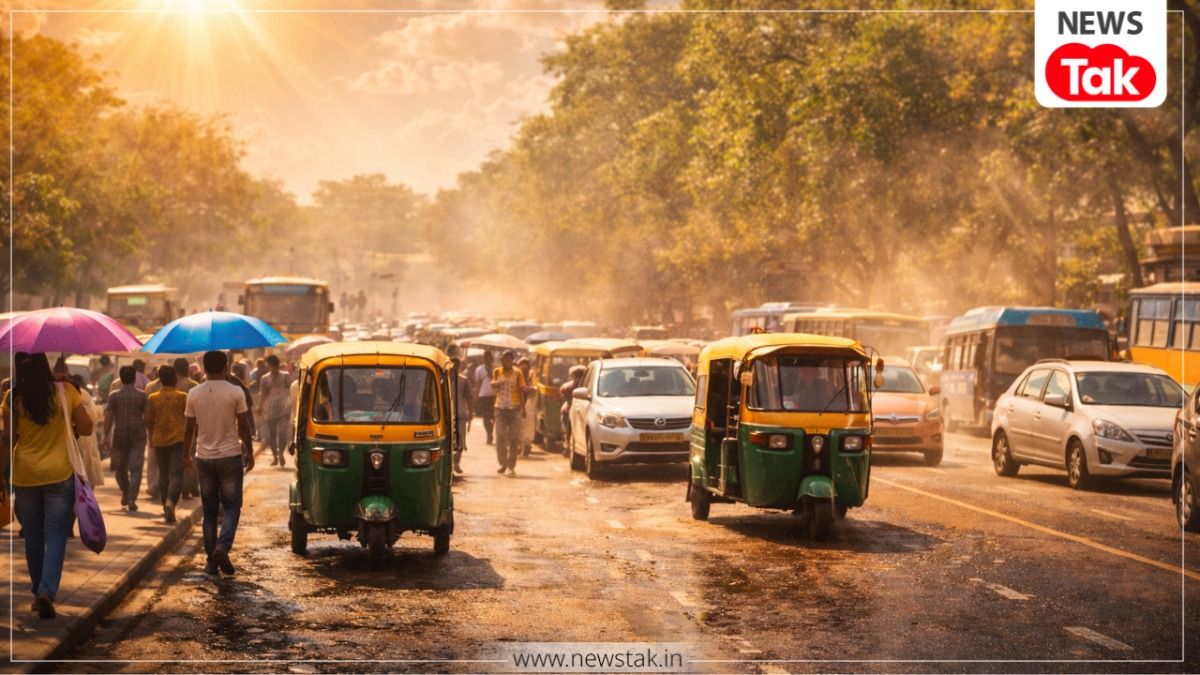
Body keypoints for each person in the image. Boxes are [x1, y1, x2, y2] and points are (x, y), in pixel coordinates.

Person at [1, 353, 94, 619]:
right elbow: (86, 428)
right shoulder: (65, 392)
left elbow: (8, 438)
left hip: (25, 474)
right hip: (59, 473)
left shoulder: (13, 396)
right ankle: (46, 590)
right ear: (46, 365)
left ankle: (37, 589)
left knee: (32, 536)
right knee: (55, 535)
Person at [185, 351, 255, 576]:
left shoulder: (194, 393)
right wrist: (250, 451)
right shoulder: (235, 392)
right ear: (226, 367)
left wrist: (186, 454)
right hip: (229, 456)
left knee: (209, 510)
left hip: (203, 458)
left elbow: (189, 428)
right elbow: (243, 426)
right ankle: (222, 547)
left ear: (204, 368)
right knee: (232, 506)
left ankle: (211, 562)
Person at [145, 366, 188, 523]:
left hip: (160, 440)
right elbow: (190, 420)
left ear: (160, 380)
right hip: (178, 440)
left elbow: (148, 420)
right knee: (176, 474)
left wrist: (151, 437)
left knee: (163, 474)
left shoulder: (153, 397)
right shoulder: (183, 397)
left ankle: (165, 505)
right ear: (175, 379)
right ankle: (171, 502)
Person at [104, 366, 148, 512]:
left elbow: (108, 417)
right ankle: (131, 497)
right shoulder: (142, 396)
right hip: (138, 436)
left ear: (120, 379)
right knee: (136, 468)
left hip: (119, 435)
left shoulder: (114, 395)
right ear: (134, 378)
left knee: (120, 468)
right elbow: (147, 417)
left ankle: (126, 491)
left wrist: (105, 436)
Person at [491, 351, 527, 476]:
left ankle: (511, 466)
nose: (507, 362)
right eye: (505, 359)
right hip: (500, 407)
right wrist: (497, 383)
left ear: (512, 361)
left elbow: (522, 389)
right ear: (502, 360)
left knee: (514, 438)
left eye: (509, 360)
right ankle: (503, 463)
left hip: (515, 408)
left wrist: (523, 408)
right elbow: (493, 385)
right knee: (500, 435)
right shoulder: (497, 371)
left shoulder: (518, 373)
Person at [67, 375, 105, 488]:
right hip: (86, 436)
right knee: (86, 464)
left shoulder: (66, 395)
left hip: (74, 436)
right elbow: (93, 417)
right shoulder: (84, 394)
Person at [258, 355, 291, 467]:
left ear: (272, 365)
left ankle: (281, 453)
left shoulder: (286, 376)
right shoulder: (265, 378)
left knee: (282, 433)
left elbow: (290, 390)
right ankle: (275, 456)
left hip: (283, 408)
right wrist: (260, 407)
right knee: (272, 434)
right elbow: (263, 395)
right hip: (270, 408)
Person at [450, 357, 472, 476]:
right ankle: (450, 465)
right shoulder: (443, 379)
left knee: (460, 440)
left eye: (455, 365)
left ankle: (456, 462)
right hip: (446, 416)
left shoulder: (463, 381)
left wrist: (471, 413)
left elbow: (469, 397)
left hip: (460, 414)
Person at [559, 365, 587, 456]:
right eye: (577, 375)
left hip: (578, 410)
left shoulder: (567, 386)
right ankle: (568, 446)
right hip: (571, 409)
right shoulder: (569, 386)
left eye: (579, 375)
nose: (578, 378)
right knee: (567, 428)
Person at [473, 351, 496, 445]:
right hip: (483, 395)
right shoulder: (479, 369)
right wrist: (476, 397)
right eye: (486, 357)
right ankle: (489, 434)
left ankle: (491, 431)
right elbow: (477, 384)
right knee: (486, 417)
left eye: (489, 357)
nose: (488, 359)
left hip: (494, 395)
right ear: (484, 358)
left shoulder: (496, 368)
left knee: (493, 417)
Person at [517, 357, 536, 457]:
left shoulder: (531, 377)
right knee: (518, 426)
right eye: (522, 364)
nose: (524, 367)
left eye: (526, 364)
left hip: (528, 405)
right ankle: (518, 446)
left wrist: (530, 389)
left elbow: (534, 389)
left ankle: (526, 445)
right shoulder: (515, 376)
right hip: (516, 405)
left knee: (527, 426)